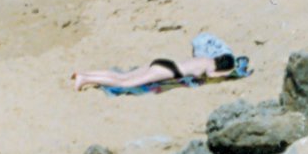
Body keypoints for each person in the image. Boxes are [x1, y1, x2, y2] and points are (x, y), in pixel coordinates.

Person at [72, 52, 238, 91]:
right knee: (125, 84)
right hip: (168, 71)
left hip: (164, 62)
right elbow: (211, 75)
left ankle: (85, 74)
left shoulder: (204, 58)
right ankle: (85, 80)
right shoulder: (210, 67)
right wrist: (228, 75)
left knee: (123, 75)